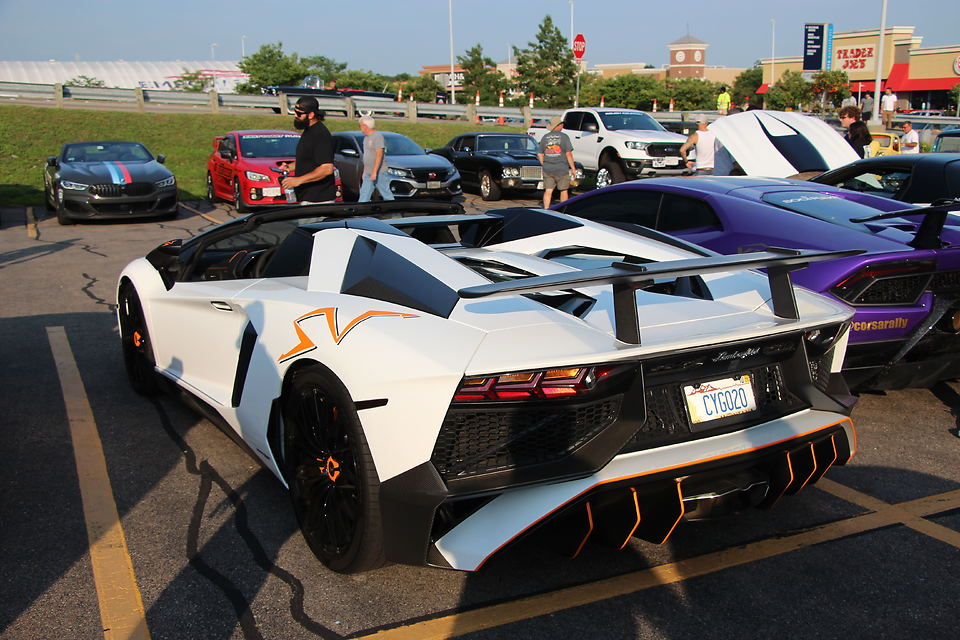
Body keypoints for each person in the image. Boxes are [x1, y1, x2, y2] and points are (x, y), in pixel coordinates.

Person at [280, 96, 337, 204]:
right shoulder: (308, 131)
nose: (295, 115)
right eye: (294, 111)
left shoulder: (320, 134)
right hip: (306, 197)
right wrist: (289, 167)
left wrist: (298, 180)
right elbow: (308, 161)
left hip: (318, 200)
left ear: (311, 115)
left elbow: (326, 168)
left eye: (299, 113)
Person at [537, 116, 576, 209]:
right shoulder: (564, 137)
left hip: (548, 168)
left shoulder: (545, 137)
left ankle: (546, 208)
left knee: (548, 190)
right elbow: (568, 154)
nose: (563, 125)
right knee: (563, 190)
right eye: (561, 124)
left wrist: (545, 163)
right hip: (561, 168)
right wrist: (573, 168)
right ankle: (563, 209)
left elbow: (539, 154)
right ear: (558, 126)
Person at [358, 116, 394, 202]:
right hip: (368, 172)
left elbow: (379, 155)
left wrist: (374, 172)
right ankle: (360, 213)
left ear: (365, 126)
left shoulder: (377, 137)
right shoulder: (366, 138)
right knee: (364, 193)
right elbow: (367, 156)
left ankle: (396, 213)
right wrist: (364, 171)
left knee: (386, 194)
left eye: (361, 125)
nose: (360, 127)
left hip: (379, 172)